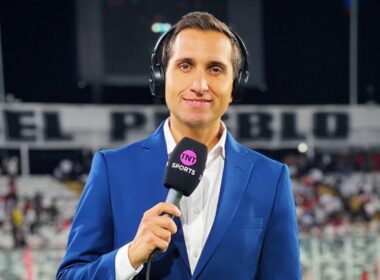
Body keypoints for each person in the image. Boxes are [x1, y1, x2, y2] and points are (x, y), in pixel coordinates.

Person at [57, 11, 301, 279]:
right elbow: (70, 275)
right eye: (185, 66)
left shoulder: (271, 178)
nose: (199, 85)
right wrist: (130, 256)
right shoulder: (112, 168)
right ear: (161, 78)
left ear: (235, 86)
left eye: (215, 69)